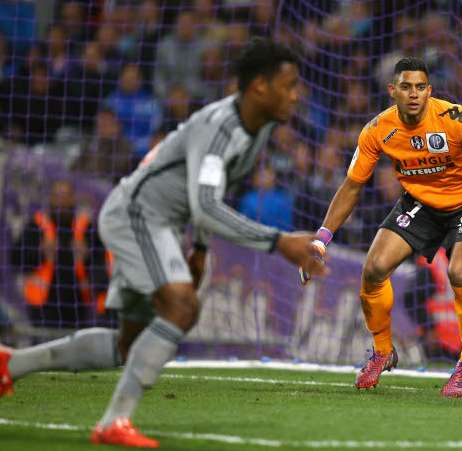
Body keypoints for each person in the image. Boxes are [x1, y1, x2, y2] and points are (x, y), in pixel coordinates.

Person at [0, 38, 326, 448]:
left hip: (159, 224)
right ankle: (113, 422)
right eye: (290, 84)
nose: (297, 95)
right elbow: (206, 206)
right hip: (138, 216)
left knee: (128, 343)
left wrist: (202, 248)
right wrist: (279, 241)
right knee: (182, 305)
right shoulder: (219, 127)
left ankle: (11, 363)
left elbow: (212, 192)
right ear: (260, 86)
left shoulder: (257, 128)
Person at [300, 57, 462, 398]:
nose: (414, 94)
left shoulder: (456, 119)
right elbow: (353, 185)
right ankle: (382, 351)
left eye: (421, 87)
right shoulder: (377, 130)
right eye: (407, 87)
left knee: (460, 273)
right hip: (420, 203)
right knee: (374, 267)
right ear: (392, 91)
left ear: (430, 91)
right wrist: (322, 239)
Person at [10, 180, 109, 329]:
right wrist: (41, 253)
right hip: (42, 307)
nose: (61, 201)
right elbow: (16, 261)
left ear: (73, 198)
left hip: (77, 306)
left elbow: (102, 268)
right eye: (57, 195)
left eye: (66, 196)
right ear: (50, 198)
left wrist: (87, 256)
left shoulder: (86, 228)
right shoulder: (35, 226)